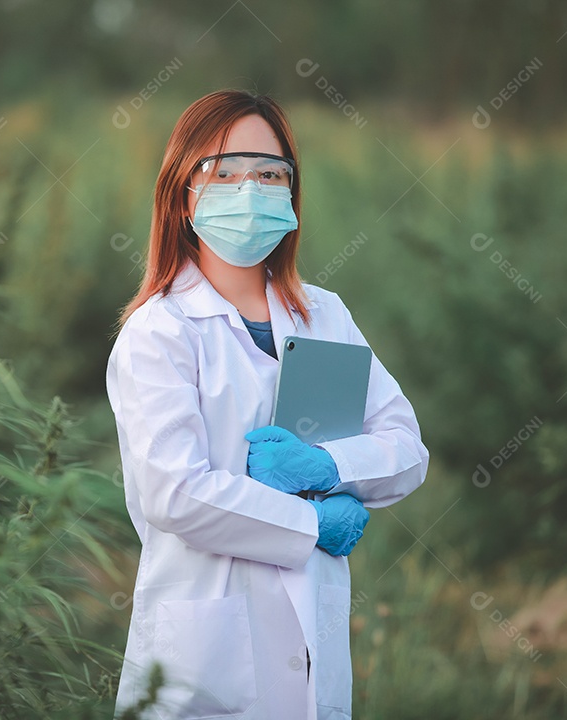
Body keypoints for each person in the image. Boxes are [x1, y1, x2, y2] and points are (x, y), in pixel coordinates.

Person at [105, 89, 429, 720]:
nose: (248, 188)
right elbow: (173, 491)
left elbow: (406, 447)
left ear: (291, 194)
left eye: (269, 172)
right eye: (223, 172)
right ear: (182, 193)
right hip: (203, 654)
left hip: (314, 637)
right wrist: (310, 524)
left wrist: (328, 467)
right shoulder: (161, 332)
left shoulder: (325, 315)